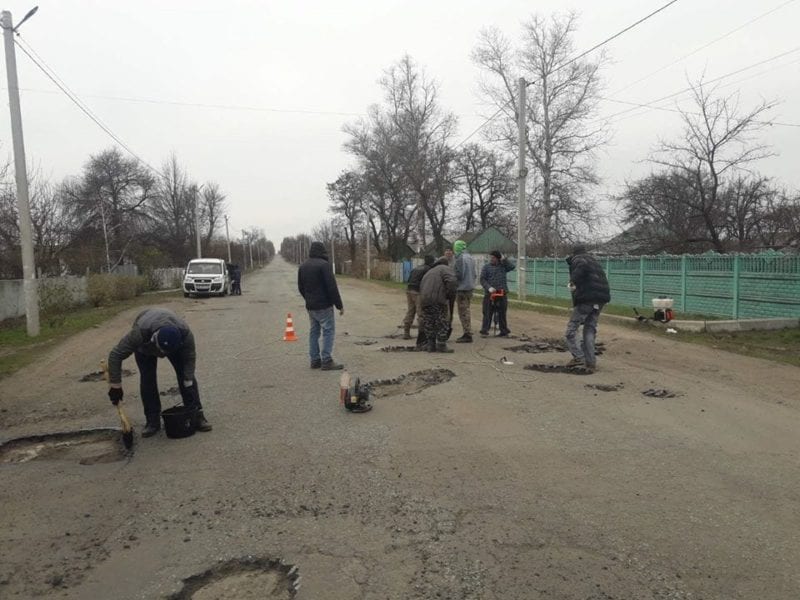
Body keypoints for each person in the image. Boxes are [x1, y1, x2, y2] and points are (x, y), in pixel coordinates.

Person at [107, 307, 211, 438]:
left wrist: (188, 380)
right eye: (160, 352)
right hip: (145, 346)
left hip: (172, 341)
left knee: (185, 376)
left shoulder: (185, 334)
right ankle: (152, 421)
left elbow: (190, 359)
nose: (162, 356)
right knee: (147, 379)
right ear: (154, 339)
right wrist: (115, 385)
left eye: (165, 354)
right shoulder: (140, 333)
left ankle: (197, 415)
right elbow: (115, 355)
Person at [298, 241, 345, 370]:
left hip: (311, 307)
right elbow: (332, 287)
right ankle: (327, 360)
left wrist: (308, 299)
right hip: (324, 306)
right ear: (322, 251)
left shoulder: (303, 266)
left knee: (314, 332)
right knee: (328, 331)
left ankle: (314, 360)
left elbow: (301, 287)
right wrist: (339, 305)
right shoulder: (324, 265)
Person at [565, 244, 611, 373]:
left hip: (587, 300)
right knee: (590, 330)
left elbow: (581, 267)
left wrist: (572, 281)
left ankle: (578, 356)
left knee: (571, 330)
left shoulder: (579, 260)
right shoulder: (593, 261)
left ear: (574, 253)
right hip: (600, 299)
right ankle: (590, 362)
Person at [419, 257, 457, 352]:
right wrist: (449, 295)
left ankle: (430, 345)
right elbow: (452, 281)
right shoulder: (445, 269)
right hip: (438, 299)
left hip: (424, 299)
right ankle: (441, 344)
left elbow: (421, 284)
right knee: (442, 321)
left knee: (429, 321)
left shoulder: (430, 271)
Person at [479, 250, 515, 337]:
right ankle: (484, 330)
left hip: (502, 292)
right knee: (487, 312)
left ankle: (503, 330)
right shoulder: (486, 267)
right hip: (490, 293)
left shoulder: (503, 266)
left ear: (498, 259)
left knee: (502, 313)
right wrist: (489, 288)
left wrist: (504, 259)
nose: (491, 259)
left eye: (493, 257)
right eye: (491, 257)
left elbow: (512, 267)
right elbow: (482, 279)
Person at [402, 255, 435, 340]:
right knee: (421, 313)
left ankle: (406, 332)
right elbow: (428, 283)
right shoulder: (428, 269)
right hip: (418, 291)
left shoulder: (417, 268)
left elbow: (409, 279)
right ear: (432, 262)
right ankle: (422, 335)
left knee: (411, 311)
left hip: (409, 289)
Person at [453, 240, 477, 343]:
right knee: (466, 309)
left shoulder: (459, 258)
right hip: (470, 287)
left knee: (463, 311)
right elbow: (475, 274)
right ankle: (467, 332)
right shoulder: (470, 257)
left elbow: (459, 274)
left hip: (462, 288)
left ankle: (467, 334)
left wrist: (452, 279)